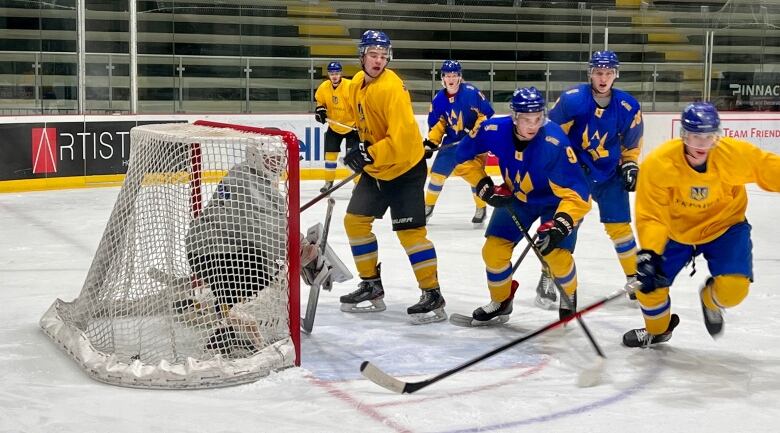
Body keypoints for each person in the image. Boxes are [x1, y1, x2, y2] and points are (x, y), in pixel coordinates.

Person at [622, 101, 780, 347]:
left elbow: (767, 168)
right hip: (677, 233)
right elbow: (651, 215)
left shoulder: (731, 155)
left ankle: (710, 300)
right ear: (683, 134)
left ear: (717, 136)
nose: (701, 145)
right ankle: (658, 330)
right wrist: (650, 253)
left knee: (734, 291)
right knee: (648, 288)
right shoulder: (659, 164)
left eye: (709, 137)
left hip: (725, 227)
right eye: (695, 137)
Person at [455, 87, 591, 325]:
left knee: (556, 255)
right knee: (493, 251)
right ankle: (501, 301)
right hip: (518, 198)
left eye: (538, 119)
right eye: (527, 119)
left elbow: (578, 192)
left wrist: (562, 222)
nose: (532, 125)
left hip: (555, 203)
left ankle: (568, 293)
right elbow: (463, 155)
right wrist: (482, 183)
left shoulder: (554, 141)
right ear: (515, 116)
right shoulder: (495, 129)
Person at [339, 30, 446, 324]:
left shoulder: (392, 88)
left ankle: (432, 292)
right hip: (377, 170)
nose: (379, 60)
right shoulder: (356, 84)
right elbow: (358, 122)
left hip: (404, 169)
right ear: (362, 56)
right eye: (373, 55)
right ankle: (371, 285)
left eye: (383, 56)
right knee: (355, 222)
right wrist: (357, 148)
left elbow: (398, 140)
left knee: (410, 234)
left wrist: (369, 153)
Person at [183, 143, 333, 354]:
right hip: (218, 253)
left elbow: (261, 224)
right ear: (255, 156)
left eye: (280, 160)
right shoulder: (255, 187)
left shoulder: (240, 172)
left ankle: (220, 311)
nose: (277, 165)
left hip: (202, 251)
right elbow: (273, 234)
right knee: (264, 272)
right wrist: (304, 252)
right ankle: (231, 327)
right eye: (271, 159)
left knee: (250, 267)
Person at [535, 50, 643, 310]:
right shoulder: (572, 100)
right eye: (598, 72)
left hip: (609, 174)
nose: (603, 78)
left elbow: (631, 144)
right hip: (575, 174)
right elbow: (550, 134)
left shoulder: (628, 106)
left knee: (621, 229)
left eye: (608, 72)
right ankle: (549, 275)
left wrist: (630, 165)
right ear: (590, 74)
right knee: (561, 227)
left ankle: (635, 278)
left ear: (615, 74)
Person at [423, 59, 495, 227]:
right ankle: (428, 207)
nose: (451, 79)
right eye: (447, 75)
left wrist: (475, 132)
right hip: (452, 141)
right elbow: (438, 124)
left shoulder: (471, 92)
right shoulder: (439, 99)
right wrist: (431, 143)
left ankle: (481, 207)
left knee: (474, 177)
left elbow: (485, 115)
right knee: (436, 176)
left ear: (460, 77)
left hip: (474, 143)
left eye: (454, 75)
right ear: (442, 78)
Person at [314, 61, 360, 193]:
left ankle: (357, 184)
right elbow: (320, 102)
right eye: (332, 73)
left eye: (337, 73)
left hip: (351, 127)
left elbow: (358, 105)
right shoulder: (324, 87)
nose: (334, 76)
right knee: (330, 156)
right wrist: (320, 110)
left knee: (353, 158)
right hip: (334, 126)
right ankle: (328, 182)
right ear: (328, 74)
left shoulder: (349, 86)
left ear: (341, 73)